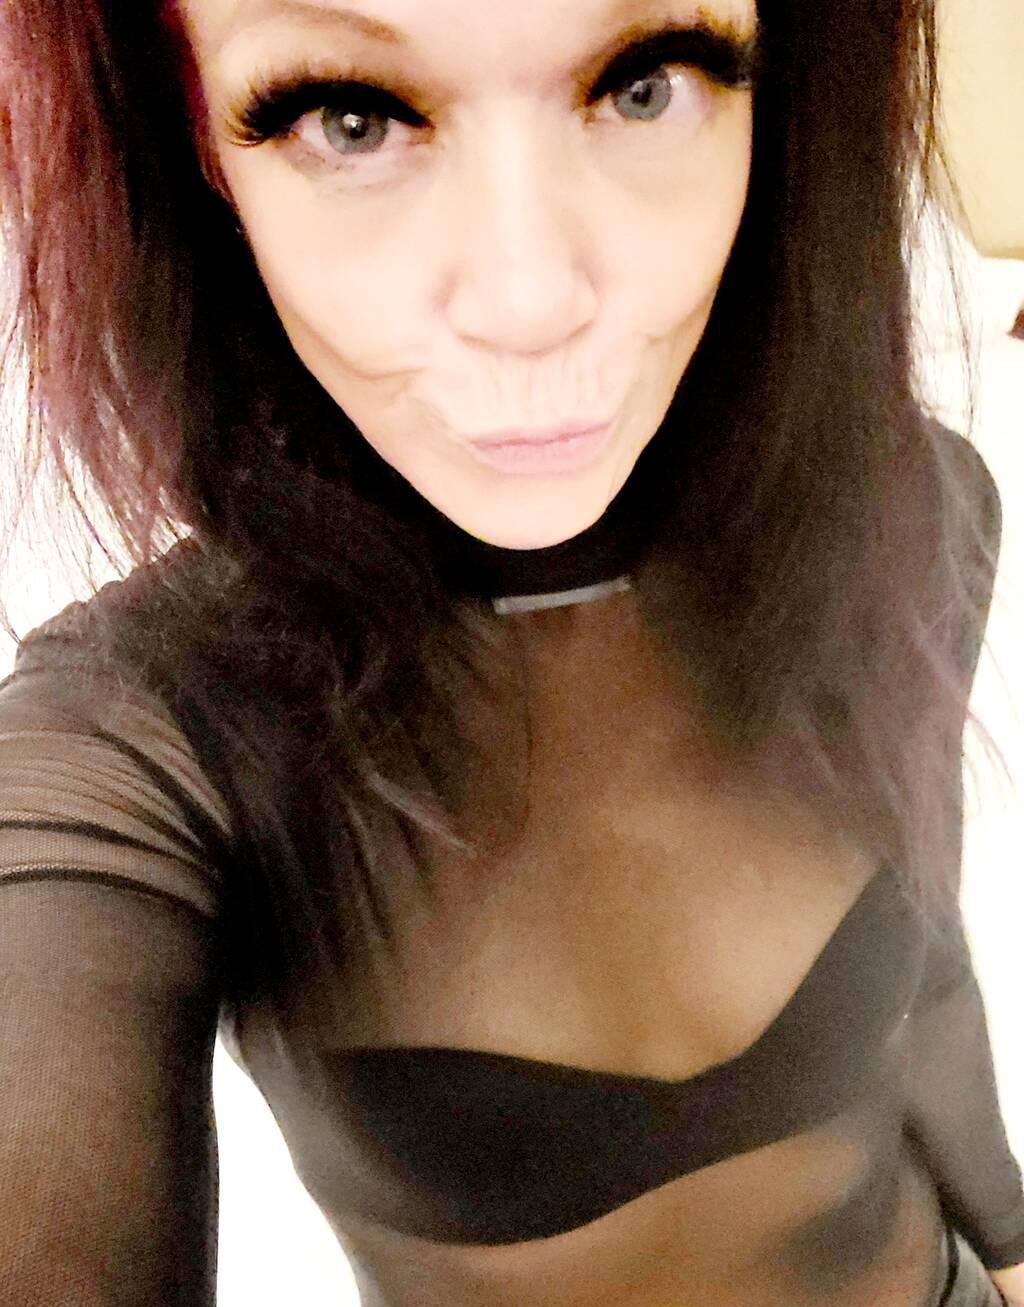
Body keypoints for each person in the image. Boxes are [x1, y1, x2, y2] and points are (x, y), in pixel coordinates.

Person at [0, 1, 1021, 1305]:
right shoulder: (139, 741)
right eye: (350, 118)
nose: (529, 303)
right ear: (196, 133)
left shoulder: (917, 507)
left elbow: (928, 962)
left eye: (646, 84)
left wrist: (1010, 1243)